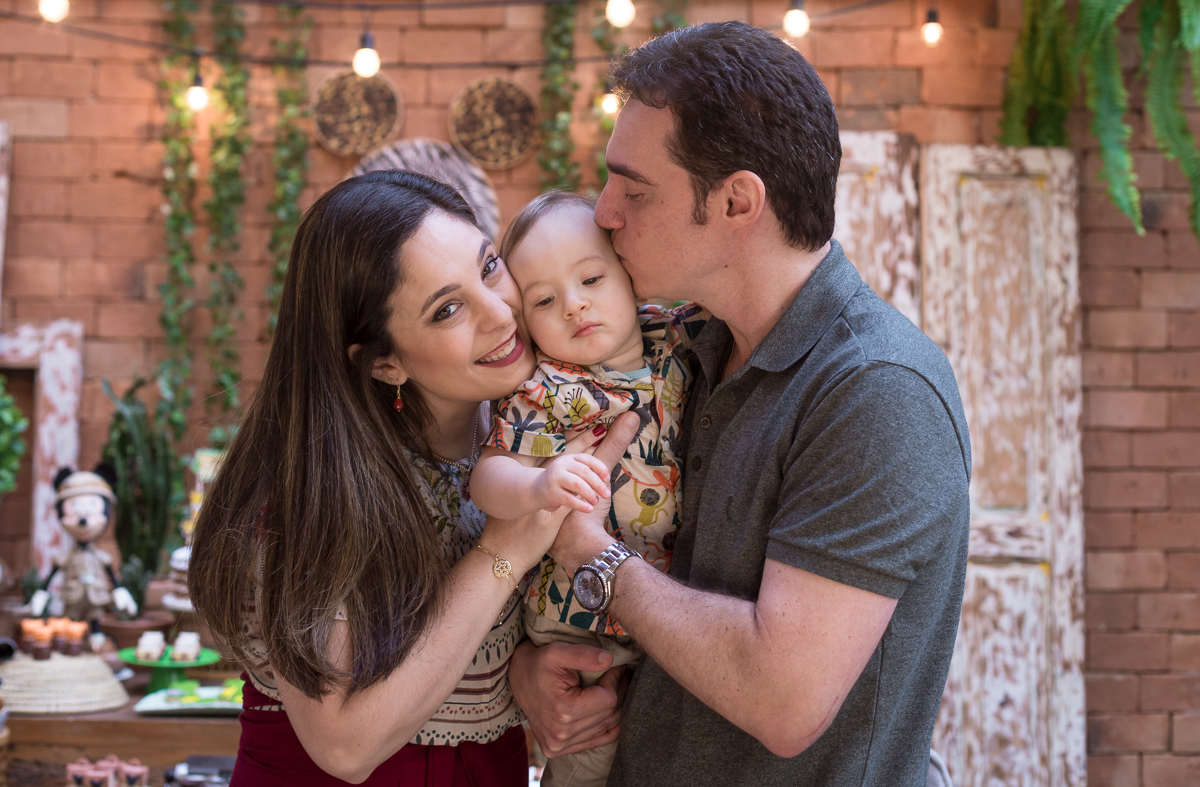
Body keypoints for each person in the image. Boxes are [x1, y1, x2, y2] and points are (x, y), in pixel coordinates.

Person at [509, 21, 972, 786]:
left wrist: (593, 556)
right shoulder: (678, 350)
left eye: (635, 186)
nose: (605, 211)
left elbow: (780, 696)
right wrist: (536, 666)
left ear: (736, 202)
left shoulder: (877, 388)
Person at [187, 170, 634, 786]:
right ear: (384, 362)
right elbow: (344, 745)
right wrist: (504, 549)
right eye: (447, 309)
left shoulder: (534, 426)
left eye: (489, 267)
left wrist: (527, 674)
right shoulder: (307, 488)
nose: (500, 312)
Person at [470, 190, 704, 787]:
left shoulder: (678, 342)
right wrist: (538, 484)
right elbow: (487, 475)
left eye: (592, 278)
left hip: (668, 606)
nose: (574, 306)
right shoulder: (547, 390)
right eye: (545, 300)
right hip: (580, 620)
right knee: (587, 761)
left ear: (629, 275)